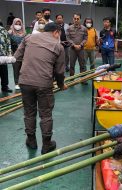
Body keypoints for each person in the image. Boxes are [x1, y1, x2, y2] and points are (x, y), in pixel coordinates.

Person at [14, 23, 67, 154]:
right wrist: (61, 85)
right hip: (43, 84)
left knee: (29, 112)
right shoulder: (58, 46)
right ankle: (46, 144)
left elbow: (16, 58)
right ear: (56, 32)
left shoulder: (28, 38)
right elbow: (60, 72)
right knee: (46, 114)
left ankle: (31, 141)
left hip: (25, 81)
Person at [8, 18, 26, 90]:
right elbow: (8, 43)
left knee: (23, 69)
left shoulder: (24, 33)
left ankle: (23, 82)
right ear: (13, 24)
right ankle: (16, 83)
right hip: (14, 54)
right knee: (16, 69)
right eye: (16, 24)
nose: (18, 25)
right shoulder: (10, 33)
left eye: (19, 24)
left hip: (23, 54)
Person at [0, 24, 12, 93]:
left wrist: (9, 52)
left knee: (4, 71)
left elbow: (8, 42)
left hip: (3, 54)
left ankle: (5, 86)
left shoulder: (3, 30)